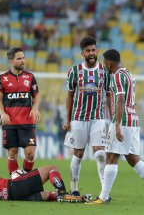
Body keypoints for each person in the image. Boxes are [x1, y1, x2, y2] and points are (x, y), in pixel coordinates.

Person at [87, 49, 144, 206]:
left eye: (104, 62)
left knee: (111, 156)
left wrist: (117, 124)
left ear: (109, 63)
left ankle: (103, 197)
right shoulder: (129, 74)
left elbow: (120, 99)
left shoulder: (116, 76)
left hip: (123, 121)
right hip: (133, 119)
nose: (104, 65)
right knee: (132, 158)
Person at [62, 36, 110, 196]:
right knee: (78, 154)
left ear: (97, 51)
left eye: (93, 50)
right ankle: (74, 188)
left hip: (98, 118)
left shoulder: (104, 71)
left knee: (101, 154)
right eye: (88, 51)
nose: (91, 53)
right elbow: (69, 96)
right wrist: (67, 119)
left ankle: (105, 191)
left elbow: (109, 95)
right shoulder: (74, 71)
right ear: (82, 53)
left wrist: (112, 118)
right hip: (78, 119)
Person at [0, 153, 87, 202]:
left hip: (16, 198)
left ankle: (73, 198)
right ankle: (62, 192)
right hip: (15, 186)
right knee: (51, 168)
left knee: (46, 194)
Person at [0, 48, 40, 175]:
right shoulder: (2, 78)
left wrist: (35, 107)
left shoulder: (30, 77)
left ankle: (25, 177)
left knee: (30, 154)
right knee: (12, 153)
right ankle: (15, 181)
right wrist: (2, 114)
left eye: (23, 58)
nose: (22, 61)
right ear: (11, 61)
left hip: (27, 122)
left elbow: (36, 95)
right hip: (10, 122)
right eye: (19, 58)